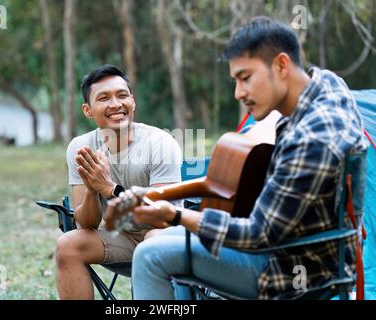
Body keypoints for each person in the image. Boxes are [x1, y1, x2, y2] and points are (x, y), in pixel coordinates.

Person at [116, 16, 368, 299]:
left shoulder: (312, 137)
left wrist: (174, 214)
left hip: (294, 270)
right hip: (304, 250)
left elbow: (257, 234)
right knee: (165, 241)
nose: (238, 93)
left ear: (282, 65)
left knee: (150, 254)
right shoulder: (328, 87)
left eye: (245, 78)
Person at [56, 64, 182, 299]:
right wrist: (93, 191)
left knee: (152, 241)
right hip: (121, 237)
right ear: (88, 110)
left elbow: (163, 218)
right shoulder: (80, 148)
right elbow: (86, 223)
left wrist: (108, 188)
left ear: (132, 101)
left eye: (122, 95)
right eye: (104, 98)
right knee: (68, 244)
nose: (115, 104)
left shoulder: (160, 143)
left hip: (163, 234)